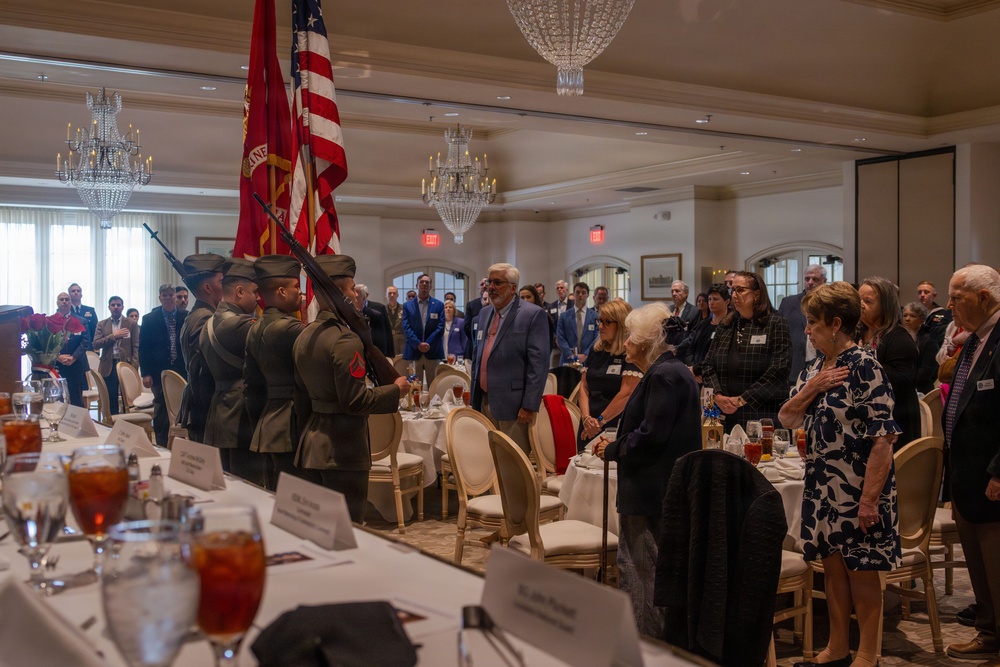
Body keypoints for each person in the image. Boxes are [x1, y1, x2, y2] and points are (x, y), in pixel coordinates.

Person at [779, 281, 901, 667]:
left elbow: (884, 439)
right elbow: (786, 416)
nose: (807, 331)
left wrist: (868, 501)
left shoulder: (866, 366)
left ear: (835, 324)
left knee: (861, 572)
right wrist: (811, 387)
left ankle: (867, 654)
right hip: (822, 484)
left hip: (859, 487)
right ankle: (836, 648)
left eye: (812, 323)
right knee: (831, 569)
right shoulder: (817, 368)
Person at [593, 302, 701, 636]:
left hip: (651, 488)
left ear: (645, 342)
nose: (624, 344)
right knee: (647, 569)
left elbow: (652, 437)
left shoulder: (664, 375)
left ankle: (645, 648)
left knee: (641, 572)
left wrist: (612, 448)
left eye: (630, 337)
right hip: (657, 486)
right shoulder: (668, 371)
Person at [293, 255, 410, 522]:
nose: (355, 295)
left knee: (319, 530)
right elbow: (355, 401)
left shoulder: (305, 334)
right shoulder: (345, 340)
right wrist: (396, 390)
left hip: (311, 447)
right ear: (340, 294)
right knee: (347, 529)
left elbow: (300, 397)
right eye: (350, 289)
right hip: (343, 451)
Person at [941, 264, 1000, 663]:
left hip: (991, 473)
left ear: (984, 297)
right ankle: (989, 631)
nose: (948, 307)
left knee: (996, 563)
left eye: (956, 297)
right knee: (979, 565)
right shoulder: (975, 338)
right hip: (965, 471)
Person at [470, 263, 549, 454]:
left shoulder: (532, 315)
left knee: (512, 464)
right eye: (490, 282)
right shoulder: (484, 313)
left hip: (514, 406)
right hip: (483, 400)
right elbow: (478, 353)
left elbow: (538, 364)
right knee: (487, 460)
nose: (491, 287)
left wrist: (529, 404)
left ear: (513, 288)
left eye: (498, 282)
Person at [200, 258, 265, 486]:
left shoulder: (209, 322)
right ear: (239, 291)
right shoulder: (241, 325)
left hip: (219, 415)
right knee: (248, 491)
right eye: (255, 291)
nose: (258, 298)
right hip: (241, 418)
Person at [700, 271, 791, 433]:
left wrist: (743, 399)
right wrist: (718, 395)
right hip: (723, 410)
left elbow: (779, 370)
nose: (734, 294)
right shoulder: (726, 324)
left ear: (756, 294)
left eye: (740, 290)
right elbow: (708, 364)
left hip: (760, 411)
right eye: (732, 290)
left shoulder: (775, 324)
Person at [245, 255, 307, 490]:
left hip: (268, 423)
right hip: (291, 424)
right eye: (296, 287)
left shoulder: (254, 327)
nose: (300, 294)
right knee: (296, 500)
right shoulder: (290, 328)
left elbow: (251, 383)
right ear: (281, 291)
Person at [857, 276, 920, 450]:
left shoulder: (899, 337)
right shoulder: (858, 333)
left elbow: (903, 379)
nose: (861, 305)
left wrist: (863, 362)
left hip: (897, 420)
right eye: (859, 300)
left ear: (885, 305)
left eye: (868, 301)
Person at [177, 253, 225, 444]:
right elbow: (203, 370)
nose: (226, 286)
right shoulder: (205, 318)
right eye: (222, 282)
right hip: (204, 406)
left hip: (200, 404)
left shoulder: (197, 314)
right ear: (207, 287)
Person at [578, 299, 641, 444]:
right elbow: (584, 386)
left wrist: (600, 421)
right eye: (599, 320)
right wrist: (587, 418)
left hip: (615, 426)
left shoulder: (631, 353)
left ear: (621, 324)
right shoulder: (596, 350)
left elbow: (626, 394)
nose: (600, 326)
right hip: (588, 425)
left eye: (607, 322)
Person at [139, 284, 187, 445]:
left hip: (182, 370)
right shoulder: (149, 319)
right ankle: (161, 443)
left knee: (183, 407)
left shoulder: (186, 316)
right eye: (164, 295)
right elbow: (143, 348)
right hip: (158, 371)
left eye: (170, 295)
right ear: (160, 297)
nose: (168, 298)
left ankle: (181, 442)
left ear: (175, 297)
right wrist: (145, 373)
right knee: (161, 408)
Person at [778, 264, 828, 385]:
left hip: (824, 365)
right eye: (807, 279)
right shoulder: (788, 303)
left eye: (815, 279)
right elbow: (779, 334)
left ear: (824, 281)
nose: (810, 282)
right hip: (794, 367)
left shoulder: (830, 304)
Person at [93, 295, 139, 415]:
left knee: (128, 400)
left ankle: (127, 427)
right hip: (109, 366)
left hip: (126, 365)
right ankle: (112, 427)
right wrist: (114, 336)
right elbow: (96, 344)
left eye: (118, 305)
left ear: (122, 307)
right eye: (113, 305)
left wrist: (134, 366)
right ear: (109, 307)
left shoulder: (131, 323)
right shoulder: (102, 324)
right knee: (111, 399)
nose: (116, 307)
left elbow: (136, 346)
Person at [675, 283, 730, 375]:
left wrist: (696, 370)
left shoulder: (729, 326)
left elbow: (717, 356)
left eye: (715, 299)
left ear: (727, 302)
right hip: (694, 373)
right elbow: (690, 349)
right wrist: (692, 369)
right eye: (709, 299)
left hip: (714, 374)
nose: (711, 303)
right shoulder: (702, 324)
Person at [401, 273, 445, 383]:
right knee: (415, 386)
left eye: (427, 282)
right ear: (417, 285)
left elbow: (440, 327)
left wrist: (427, 343)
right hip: (414, 350)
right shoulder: (407, 305)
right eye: (422, 282)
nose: (424, 284)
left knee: (434, 385)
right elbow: (406, 327)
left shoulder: (439, 305)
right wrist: (418, 344)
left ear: (430, 286)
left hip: (432, 350)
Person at [53, 291, 91, 407]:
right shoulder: (50, 321)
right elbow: (47, 343)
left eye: (67, 299)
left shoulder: (81, 320)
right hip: (57, 365)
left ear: (71, 302)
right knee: (58, 400)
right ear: (57, 303)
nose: (64, 302)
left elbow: (85, 342)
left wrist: (73, 357)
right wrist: (58, 356)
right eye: (61, 299)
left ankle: (77, 425)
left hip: (76, 365)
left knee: (76, 400)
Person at [556, 281, 597, 365]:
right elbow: (560, 337)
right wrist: (570, 355)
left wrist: (586, 354)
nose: (580, 295)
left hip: (588, 360)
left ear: (588, 295)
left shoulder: (595, 316)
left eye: (583, 292)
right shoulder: (564, 316)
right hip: (567, 359)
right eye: (577, 292)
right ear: (573, 294)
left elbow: (596, 338)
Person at [355, 284, 394, 358]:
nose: (355, 301)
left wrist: (387, 354)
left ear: (365, 297)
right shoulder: (348, 312)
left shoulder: (377, 310)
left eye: (357, 298)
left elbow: (386, 332)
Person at [463, 277, 488, 361]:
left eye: (486, 284)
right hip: (473, 344)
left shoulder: (496, 304)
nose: (484, 286)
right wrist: (477, 339)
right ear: (478, 288)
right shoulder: (472, 305)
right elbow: (467, 327)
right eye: (481, 284)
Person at [384, 286, 406, 357]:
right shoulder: (382, 309)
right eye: (389, 293)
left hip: (401, 340)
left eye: (394, 293)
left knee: (401, 363)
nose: (392, 295)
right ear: (386, 295)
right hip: (388, 340)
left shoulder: (404, 309)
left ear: (397, 295)